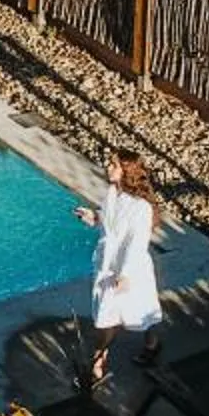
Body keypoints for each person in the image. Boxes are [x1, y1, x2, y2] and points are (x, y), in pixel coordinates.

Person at [78, 149, 163, 380]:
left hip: (129, 268)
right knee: (109, 314)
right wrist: (94, 218)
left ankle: (148, 345)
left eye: (114, 165)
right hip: (108, 264)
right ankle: (101, 356)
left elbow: (136, 242)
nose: (108, 167)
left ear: (127, 171)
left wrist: (125, 275)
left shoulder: (141, 208)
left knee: (139, 312)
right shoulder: (112, 193)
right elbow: (110, 221)